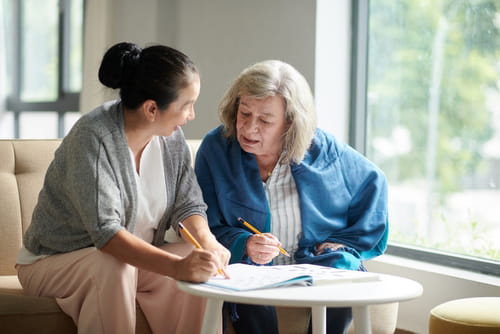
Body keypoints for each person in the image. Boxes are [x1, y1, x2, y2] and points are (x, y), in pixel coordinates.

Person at [15, 42, 230, 334]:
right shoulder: (94, 137)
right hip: (52, 263)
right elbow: (107, 235)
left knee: (193, 260)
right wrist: (177, 269)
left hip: (127, 261)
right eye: (187, 105)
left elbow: (188, 204)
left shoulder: (171, 137)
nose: (191, 115)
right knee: (114, 264)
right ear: (152, 109)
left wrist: (207, 244)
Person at [194, 60, 388, 334]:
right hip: (251, 267)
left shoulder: (323, 149)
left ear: (290, 122)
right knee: (246, 277)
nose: (249, 129)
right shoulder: (216, 149)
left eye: (264, 120)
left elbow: (373, 181)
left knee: (345, 269)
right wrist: (244, 243)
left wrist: (344, 244)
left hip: (314, 264)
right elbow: (203, 222)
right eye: (244, 114)